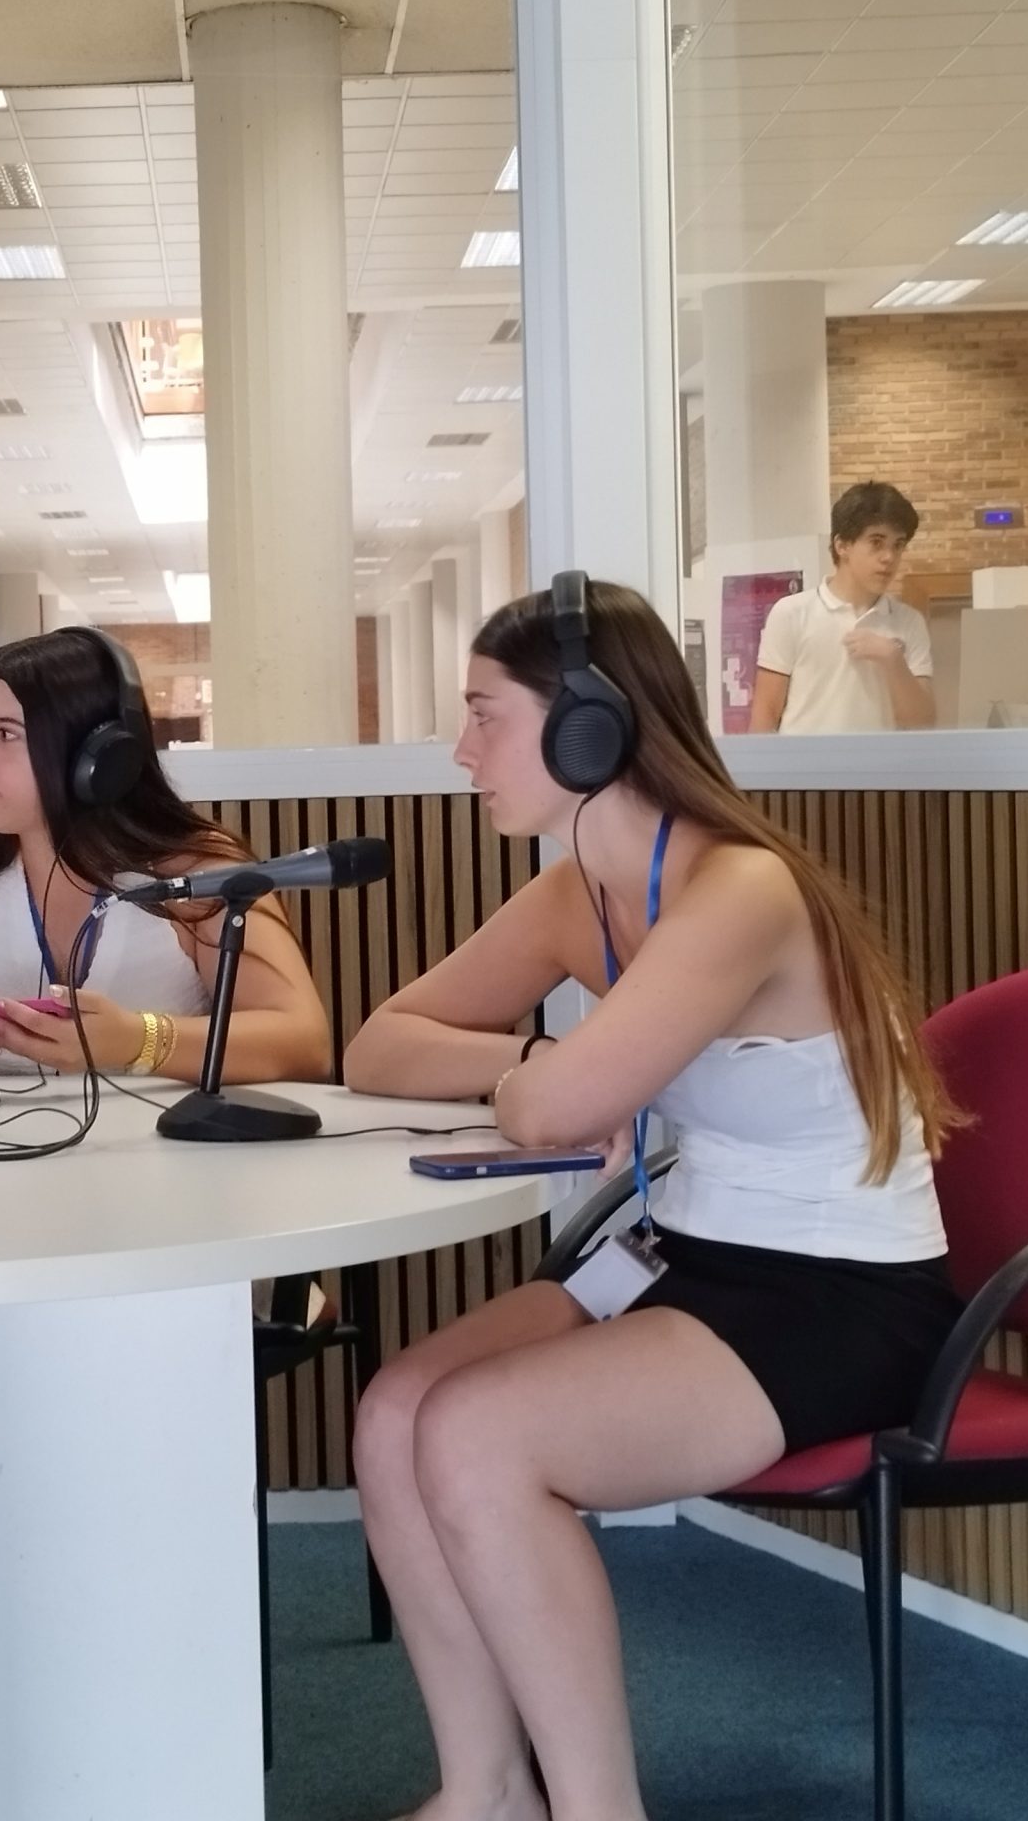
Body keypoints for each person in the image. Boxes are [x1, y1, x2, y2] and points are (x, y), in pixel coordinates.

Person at [341, 574, 962, 1821]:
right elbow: (380, 1046)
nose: (459, 751)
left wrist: (552, 1085)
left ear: (591, 727)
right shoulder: (577, 892)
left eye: (484, 716)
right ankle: (485, 1793)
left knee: (477, 1436)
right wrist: (533, 1060)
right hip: (688, 1252)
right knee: (395, 1411)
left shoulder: (743, 890)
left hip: (841, 1295)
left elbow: (558, 1115)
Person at [0, 627, 331, 1090]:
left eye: (6, 734)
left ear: (97, 753)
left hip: (165, 1158)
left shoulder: (201, 873)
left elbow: (304, 1043)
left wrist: (140, 1041)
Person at [750, 480, 935, 733]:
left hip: (879, 759)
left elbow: (922, 722)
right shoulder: (791, 613)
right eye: (876, 542)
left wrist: (893, 660)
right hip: (805, 759)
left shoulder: (909, 622)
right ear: (842, 545)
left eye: (898, 545)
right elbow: (765, 713)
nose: (889, 557)